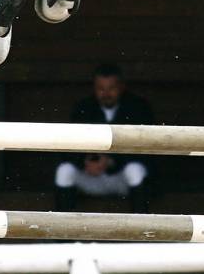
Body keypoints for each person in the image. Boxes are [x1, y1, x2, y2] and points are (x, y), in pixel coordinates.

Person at [55, 63, 153, 212]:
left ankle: (142, 230)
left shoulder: (137, 107)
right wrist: (85, 161)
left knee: (135, 170)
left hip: (121, 178)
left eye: (111, 88)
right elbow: (69, 145)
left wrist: (111, 161)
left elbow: (146, 149)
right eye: (101, 89)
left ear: (121, 87)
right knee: (65, 171)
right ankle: (63, 233)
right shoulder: (84, 108)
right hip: (91, 176)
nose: (106, 94)